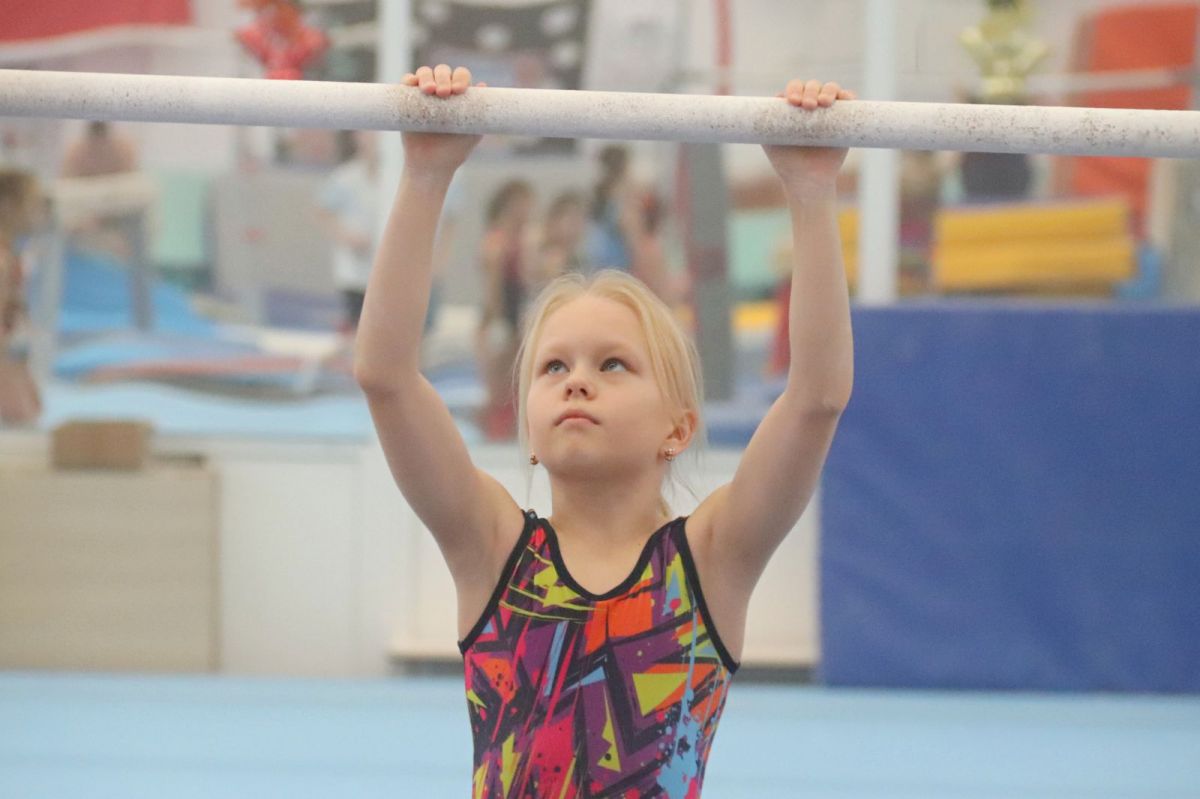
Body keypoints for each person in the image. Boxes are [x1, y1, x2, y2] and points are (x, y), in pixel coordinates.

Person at [354, 65, 855, 797]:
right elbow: (386, 376)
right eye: (553, 366)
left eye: (613, 364)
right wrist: (426, 177)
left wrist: (810, 193)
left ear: (677, 428)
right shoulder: (491, 549)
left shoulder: (712, 559)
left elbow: (815, 398)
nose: (577, 380)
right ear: (528, 428)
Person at [475, 179, 534, 440]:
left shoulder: (520, 240)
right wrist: (496, 322)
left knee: (515, 384)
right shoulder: (496, 242)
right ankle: (493, 434)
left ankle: (508, 432)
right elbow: (493, 289)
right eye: (525, 205)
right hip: (499, 315)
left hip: (514, 315)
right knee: (498, 385)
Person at [0, 168, 45, 426]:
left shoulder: (13, 251)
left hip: (10, 341)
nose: (40, 212)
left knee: (30, 407)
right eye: (34, 204)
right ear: (8, 205)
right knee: (24, 413)